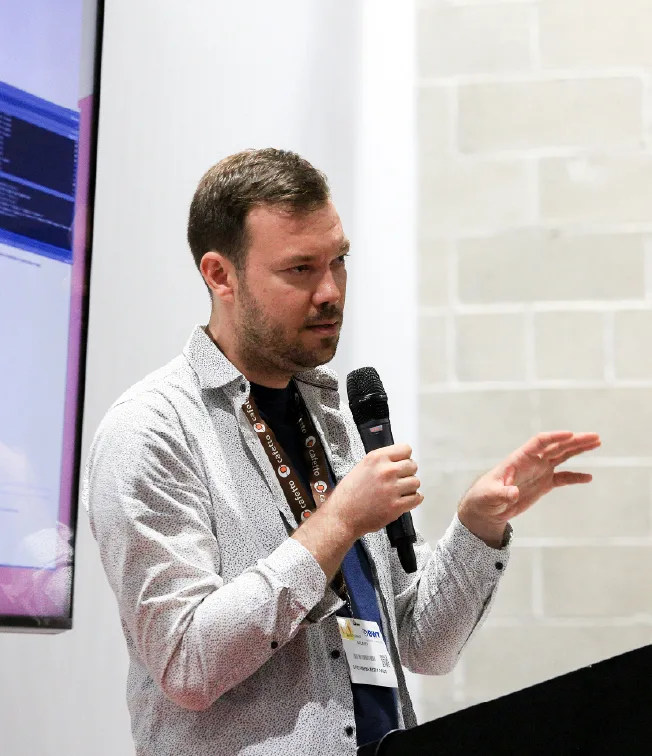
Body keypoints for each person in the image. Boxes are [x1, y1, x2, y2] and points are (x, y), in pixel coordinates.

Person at [83, 148, 600, 756]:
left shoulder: (330, 418)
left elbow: (421, 643)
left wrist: (478, 525)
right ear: (220, 276)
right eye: (300, 269)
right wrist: (339, 521)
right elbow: (187, 663)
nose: (330, 291)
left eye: (339, 261)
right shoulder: (151, 432)